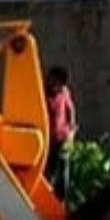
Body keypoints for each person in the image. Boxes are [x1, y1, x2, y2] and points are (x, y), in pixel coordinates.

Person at [44, 65, 77, 200]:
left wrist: (72, 130)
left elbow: (70, 109)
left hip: (62, 138)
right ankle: (46, 200)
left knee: (63, 172)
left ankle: (60, 201)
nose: (56, 86)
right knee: (48, 173)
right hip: (48, 140)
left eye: (59, 84)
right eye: (54, 82)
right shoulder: (41, 93)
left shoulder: (63, 92)